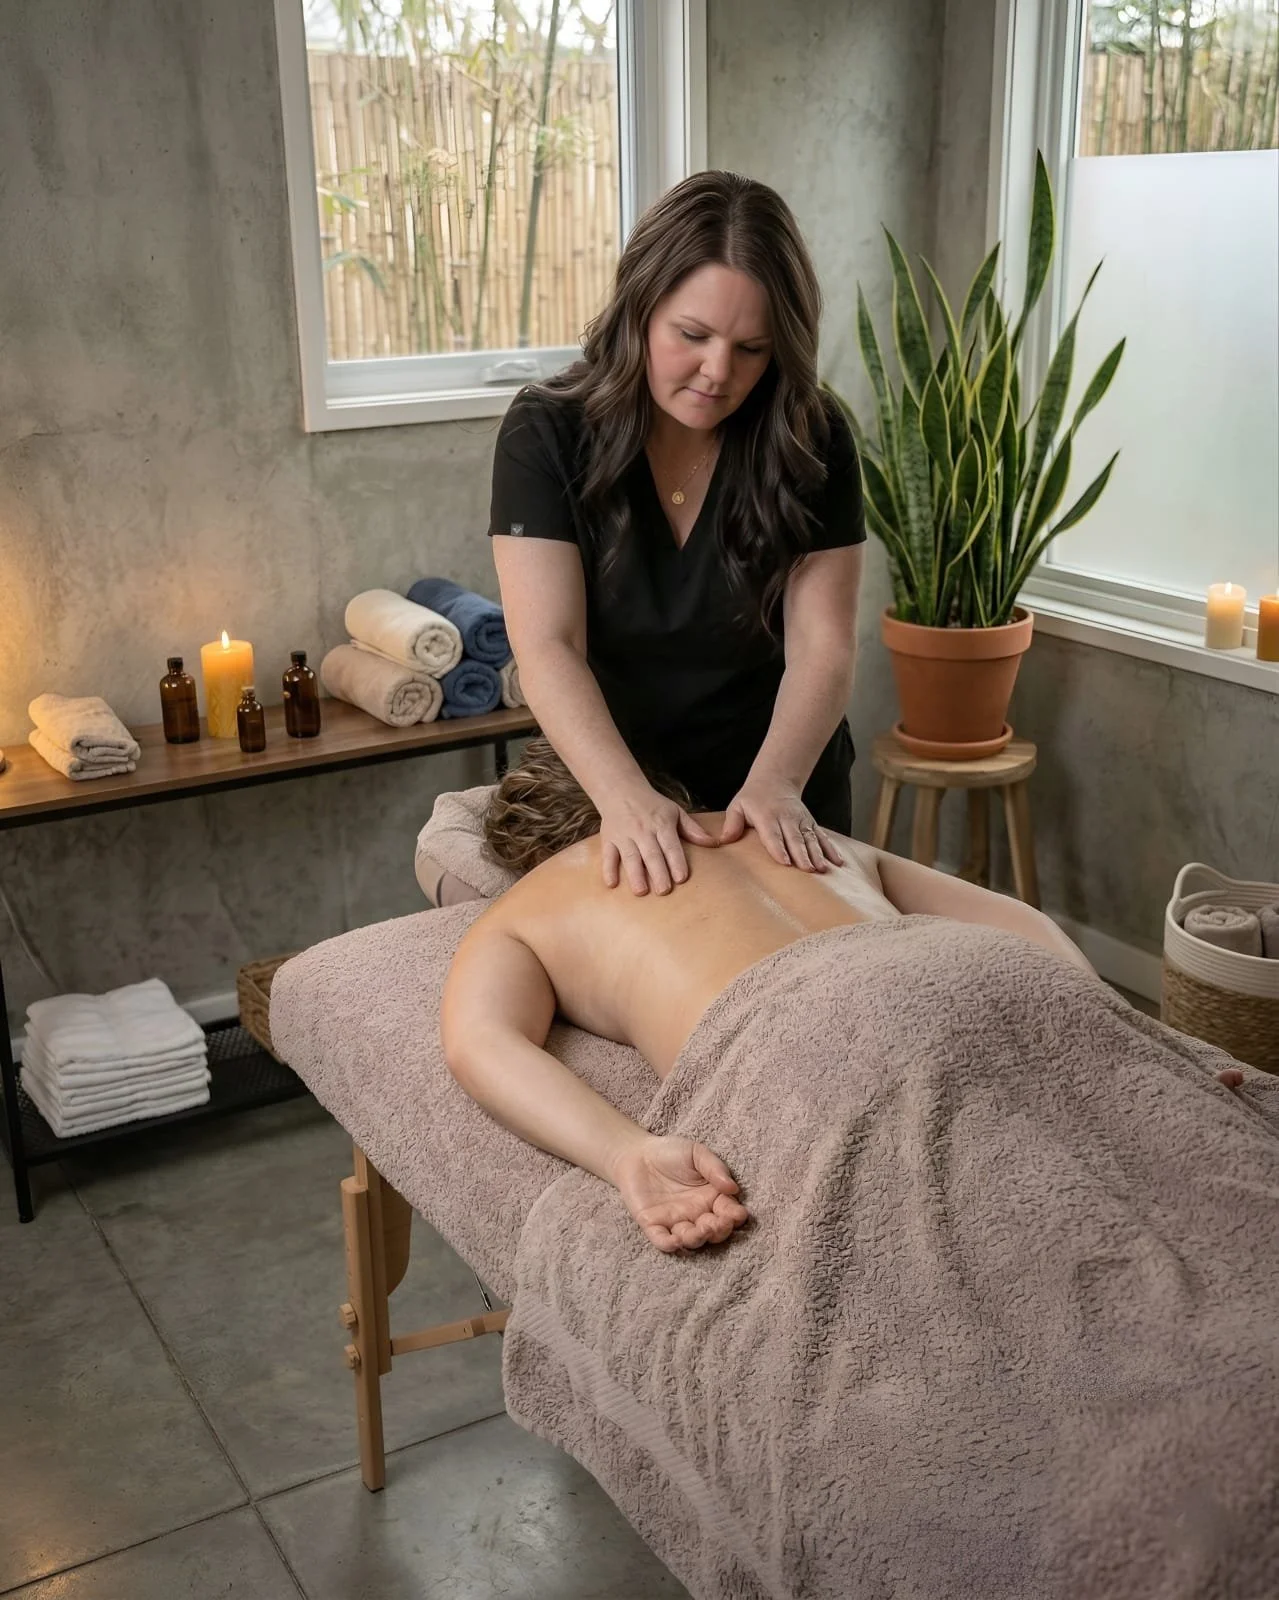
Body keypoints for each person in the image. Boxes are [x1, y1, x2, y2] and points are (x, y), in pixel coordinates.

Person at [442, 742, 1251, 1258]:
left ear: (523, 856)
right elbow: (1017, 921)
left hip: (813, 1027)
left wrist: (628, 1153)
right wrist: (1115, 1029)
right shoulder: (774, 827)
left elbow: (481, 1044)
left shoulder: (530, 902)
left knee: (1022, 1217)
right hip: (963, 967)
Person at [488, 170, 865, 899]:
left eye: (752, 348)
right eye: (692, 335)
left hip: (782, 787)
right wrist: (624, 798)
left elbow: (824, 644)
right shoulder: (546, 431)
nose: (718, 372)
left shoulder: (811, 436)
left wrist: (777, 785)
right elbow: (549, 645)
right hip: (626, 787)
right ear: (639, 308)